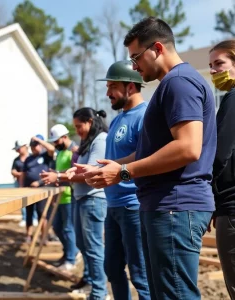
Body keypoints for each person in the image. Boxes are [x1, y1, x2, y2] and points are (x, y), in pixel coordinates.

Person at [72, 17, 217, 300]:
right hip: (166, 205)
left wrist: (124, 172)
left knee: (175, 294)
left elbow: (188, 148)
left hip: (175, 206)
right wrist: (111, 166)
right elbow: (152, 151)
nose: (135, 66)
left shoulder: (179, 83)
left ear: (158, 48)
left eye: (136, 57)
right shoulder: (171, 85)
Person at [42, 109, 109, 300]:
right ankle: (89, 280)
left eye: (79, 126)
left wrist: (61, 175)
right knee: (83, 244)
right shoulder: (87, 142)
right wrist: (68, 173)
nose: (77, 130)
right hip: (82, 199)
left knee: (94, 247)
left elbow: (93, 173)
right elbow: (81, 169)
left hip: (94, 199)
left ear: (90, 122)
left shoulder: (100, 140)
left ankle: (99, 292)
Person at [96, 61, 150, 300]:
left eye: (113, 86)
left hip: (133, 205)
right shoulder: (118, 120)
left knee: (140, 275)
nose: (108, 93)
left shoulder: (146, 115)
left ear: (130, 86)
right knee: (113, 268)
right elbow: (111, 162)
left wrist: (118, 169)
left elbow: (149, 154)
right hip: (114, 204)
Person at [209, 40, 235, 300]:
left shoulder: (232, 99)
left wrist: (210, 199)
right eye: (211, 66)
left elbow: (220, 156)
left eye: (220, 63)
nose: (214, 71)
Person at [39, 124, 79, 271]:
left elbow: (73, 173)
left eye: (56, 141)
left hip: (69, 196)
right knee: (57, 227)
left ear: (64, 137)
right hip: (59, 197)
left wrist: (58, 174)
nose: (55, 144)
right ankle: (69, 252)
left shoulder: (74, 152)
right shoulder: (61, 152)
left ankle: (70, 259)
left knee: (68, 229)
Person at [19, 135, 54, 243]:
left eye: (36, 145)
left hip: (42, 189)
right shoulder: (28, 159)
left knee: (41, 213)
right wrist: (21, 187)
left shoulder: (46, 155)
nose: (34, 148)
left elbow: (52, 149)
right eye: (32, 146)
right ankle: (28, 235)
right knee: (29, 213)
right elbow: (23, 174)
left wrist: (39, 140)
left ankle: (43, 236)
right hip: (29, 189)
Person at [11, 140, 36, 227]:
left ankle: (34, 218)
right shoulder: (16, 160)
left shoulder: (32, 157)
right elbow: (13, 171)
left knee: (34, 200)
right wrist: (20, 174)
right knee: (23, 202)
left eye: (19, 149)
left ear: (25, 147)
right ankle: (25, 218)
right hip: (20, 183)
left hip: (31, 183)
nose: (17, 151)